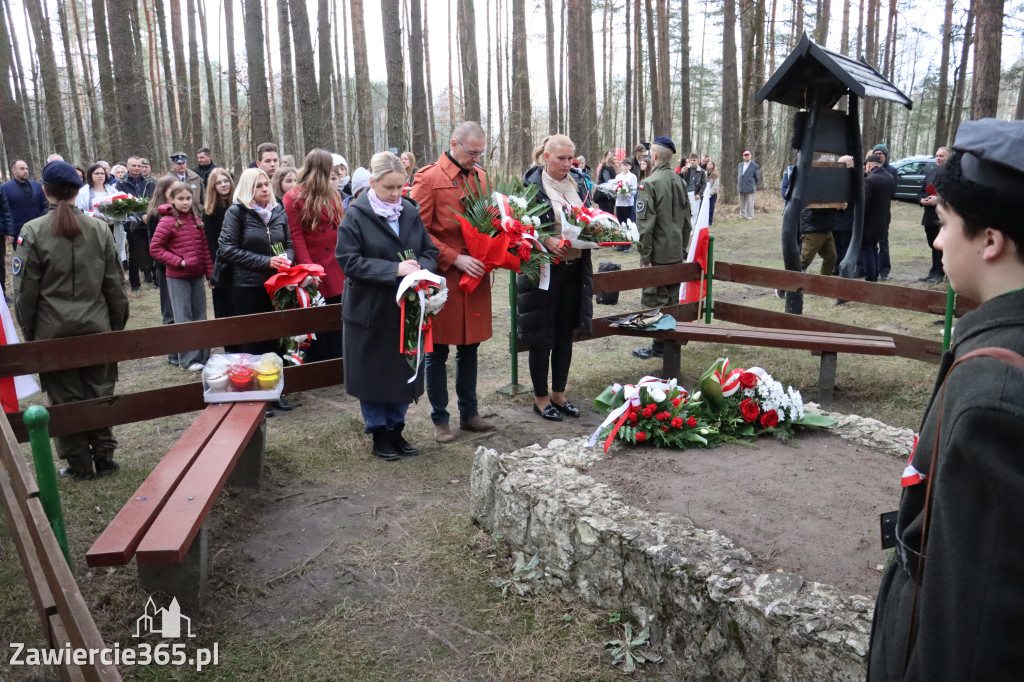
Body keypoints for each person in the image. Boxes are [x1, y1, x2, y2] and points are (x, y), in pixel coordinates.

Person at [867, 119, 1024, 682]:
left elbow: (976, 623)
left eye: (946, 223)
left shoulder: (994, 399)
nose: (936, 240)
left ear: (990, 240)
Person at [13, 161, 129, 480]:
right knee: (99, 389)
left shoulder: (32, 232)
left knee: (65, 397)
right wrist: (115, 327)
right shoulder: (98, 228)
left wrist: (31, 332)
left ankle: (79, 463)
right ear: (79, 191)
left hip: (53, 331)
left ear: (45, 190)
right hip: (97, 325)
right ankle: (104, 457)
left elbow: (25, 294)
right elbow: (115, 286)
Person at [335, 151, 439, 460]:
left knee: (401, 370)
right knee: (374, 373)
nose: (396, 195)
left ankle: (397, 428)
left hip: (406, 310)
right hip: (370, 310)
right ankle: (378, 432)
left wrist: (419, 267)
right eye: (389, 188)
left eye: (400, 188)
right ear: (373, 182)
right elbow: (348, 261)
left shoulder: (408, 211)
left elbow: (429, 251)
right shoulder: (356, 215)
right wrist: (392, 270)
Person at [412, 121, 495, 443]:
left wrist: (495, 252)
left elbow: (490, 223)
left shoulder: (483, 178)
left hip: (475, 275)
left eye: (480, 152)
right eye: (471, 152)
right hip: (444, 277)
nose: (476, 158)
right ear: (454, 144)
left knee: (470, 347)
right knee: (438, 351)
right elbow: (417, 231)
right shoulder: (429, 177)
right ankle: (440, 419)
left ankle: (470, 414)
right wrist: (453, 257)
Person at [517, 134, 592, 422]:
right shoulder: (531, 186)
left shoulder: (581, 183)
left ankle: (559, 394)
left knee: (565, 333)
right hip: (544, 271)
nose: (567, 163)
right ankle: (541, 398)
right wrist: (546, 238)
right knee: (542, 335)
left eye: (570, 158)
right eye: (561, 158)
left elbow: (589, 217)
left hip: (575, 269)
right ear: (546, 157)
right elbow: (519, 226)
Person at [218, 168, 294, 415]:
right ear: (248, 188)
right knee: (253, 341)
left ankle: (275, 391)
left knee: (277, 340)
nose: (265, 189)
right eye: (258, 186)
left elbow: (289, 244)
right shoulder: (237, 212)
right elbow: (227, 249)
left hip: (278, 285)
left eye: (266, 185)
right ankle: (255, 393)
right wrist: (266, 262)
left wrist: (286, 259)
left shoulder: (278, 209)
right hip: (248, 285)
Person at [283, 149, 346, 362]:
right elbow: (296, 236)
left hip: (337, 263)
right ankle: (318, 360)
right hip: (314, 263)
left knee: (338, 311)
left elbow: (341, 227)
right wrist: (309, 270)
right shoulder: (293, 197)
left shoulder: (333, 194)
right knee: (318, 311)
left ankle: (339, 357)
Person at [632, 136, 691, 360]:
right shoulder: (680, 182)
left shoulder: (649, 184)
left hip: (658, 253)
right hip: (676, 251)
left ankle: (659, 347)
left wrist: (645, 256)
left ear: (654, 156)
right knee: (671, 299)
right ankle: (666, 345)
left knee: (655, 300)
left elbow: (645, 226)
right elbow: (687, 221)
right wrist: (683, 251)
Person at [149, 182, 213, 371]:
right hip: (177, 277)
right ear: (172, 200)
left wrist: (210, 275)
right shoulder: (166, 222)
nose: (185, 202)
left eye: (188, 198)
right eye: (181, 199)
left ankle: (203, 356)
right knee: (183, 317)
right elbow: (155, 248)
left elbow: (205, 250)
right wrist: (179, 261)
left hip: (197, 276)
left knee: (200, 316)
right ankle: (188, 359)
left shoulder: (196, 220)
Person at [202, 168, 239, 337]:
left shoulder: (240, 204)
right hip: (222, 265)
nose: (223, 185)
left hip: (240, 262)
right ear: (213, 186)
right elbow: (210, 243)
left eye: (226, 181)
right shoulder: (209, 211)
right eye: (219, 182)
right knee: (225, 307)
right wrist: (213, 272)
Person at [75, 163, 126, 271]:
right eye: (96, 173)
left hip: (112, 227)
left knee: (113, 254)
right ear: (90, 175)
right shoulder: (83, 192)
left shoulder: (113, 191)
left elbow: (122, 208)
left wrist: (116, 214)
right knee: (96, 256)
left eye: (102, 173)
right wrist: (93, 215)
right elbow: (78, 210)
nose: (100, 176)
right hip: (93, 228)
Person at [116, 156, 156, 291]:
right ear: (127, 167)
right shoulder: (121, 183)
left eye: (139, 166)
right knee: (135, 253)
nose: (137, 168)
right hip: (132, 223)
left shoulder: (150, 182)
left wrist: (149, 214)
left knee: (155, 249)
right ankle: (135, 284)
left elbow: (154, 200)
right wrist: (139, 216)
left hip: (150, 220)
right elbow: (122, 204)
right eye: (134, 165)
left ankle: (157, 280)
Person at [3, 160, 48, 278]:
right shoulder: (6, 188)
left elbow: (44, 205)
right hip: (19, 230)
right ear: (13, 171)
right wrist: (10, 232)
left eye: (27, 168)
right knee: (23, 261)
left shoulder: (37, 186)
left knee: (41, 258)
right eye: (22, 168)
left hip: (39, 229)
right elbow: (5, 210)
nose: (25, 171)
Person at [861, 154, 896, 283]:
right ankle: (874, 274)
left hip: (869, 221)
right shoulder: (889, 177)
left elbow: (865, 204)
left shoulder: (869, 180)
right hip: (883, 220)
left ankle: (871, 278)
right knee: (874, 248)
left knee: (867, 250)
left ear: (869, 165)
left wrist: (860, 222)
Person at [918, 146, 950, 283]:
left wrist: (939, 200)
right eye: (937, 155)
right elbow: (921, 191)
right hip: (929, 216)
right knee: (932, 244)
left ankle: (940, 272)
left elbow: (956, 196)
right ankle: (934, 270)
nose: (938, 158)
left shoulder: (953, 175)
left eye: (942, 156)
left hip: (944, 217)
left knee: (941, 245)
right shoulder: (930, 173)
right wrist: (922, 199)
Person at [737, 150, 761, 220]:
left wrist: (753, 185)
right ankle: (742, 215)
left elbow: (757, 177)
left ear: (750, 156)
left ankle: (750, 216)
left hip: (750, 187)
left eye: (748, 155)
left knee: (750, 203)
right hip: (741, 187)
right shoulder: (740, 165)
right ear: (743, 157)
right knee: (742, 203)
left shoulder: (754, 166)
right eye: (745, 155)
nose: (746, 156)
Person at [595, 150, 617, 215]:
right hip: (605, 196)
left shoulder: (610, 168)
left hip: (609, 196)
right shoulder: (606, 168)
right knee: (606, 215)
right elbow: (607, 183)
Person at [705, 159, 721, 225]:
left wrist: (711, 193)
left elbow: (716, 185)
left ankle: (710, 221)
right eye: (709, 164)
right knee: (705, 208)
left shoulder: (716, 174)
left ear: (713, 165)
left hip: (713, 194)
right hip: (705, 193)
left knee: (711, 208)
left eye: (711, 164)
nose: (710, 165)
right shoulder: (704, 173)